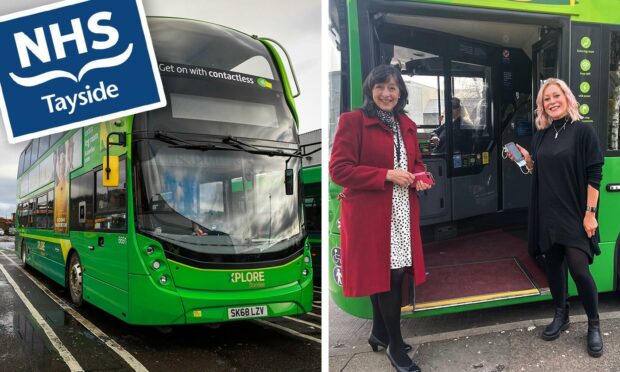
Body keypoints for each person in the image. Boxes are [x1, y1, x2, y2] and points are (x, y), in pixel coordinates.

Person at [330, 64, 433, 372]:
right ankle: (395, 347)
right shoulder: (353, 121)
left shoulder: (407, 124)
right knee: (391, 274)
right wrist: (386, 175)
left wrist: (421, 177)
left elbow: (415, 163)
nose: (386, 93)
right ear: (370, 90)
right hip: (370, 214)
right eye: (380, 87)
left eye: (392, 88)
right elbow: (339, 170)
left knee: (389, 273)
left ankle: (379, 332)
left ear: (400, 92)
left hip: (401, 210)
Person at [509, 78, 604, 357]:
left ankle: (594, 324)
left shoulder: (583, 132)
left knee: (579, 269)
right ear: (542, 106)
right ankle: (561, 315)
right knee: (553, 268)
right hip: (547, 213)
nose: (552, 101)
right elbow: (541, 168)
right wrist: (527, 160)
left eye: (556, 95)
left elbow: (594, 175)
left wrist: (590, 215)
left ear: (567, 97)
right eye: (546, 99)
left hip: (574, 214)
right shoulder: (541, 135)